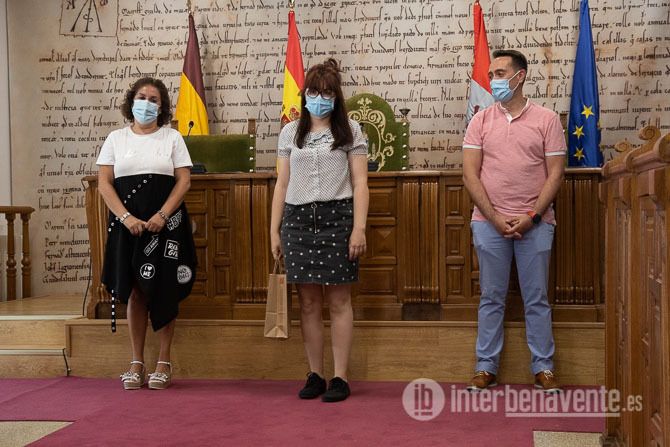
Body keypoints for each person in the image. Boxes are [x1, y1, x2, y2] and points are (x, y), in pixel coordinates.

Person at [462, 50, 566, 393]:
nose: (493, 80)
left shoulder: (547, 120)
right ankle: (485, 367)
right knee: (491, 297)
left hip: (536, 224)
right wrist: (494, 218)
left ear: (520, 77)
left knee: (536, 298)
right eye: (491, 74)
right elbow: (470, 175)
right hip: (488, 222)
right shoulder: (480, 121)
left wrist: (532, 217)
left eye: (500, 73)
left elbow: (555, 175)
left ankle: (544, 368)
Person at [270, 58, 369, 402]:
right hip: (297, 220)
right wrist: (274, 230)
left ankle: (340, 377)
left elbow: (360, 183)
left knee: (339, 300)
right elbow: (282, 184)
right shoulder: (290, 132)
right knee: (308, 303)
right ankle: (315, 374)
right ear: (305, 95)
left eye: (327, 93)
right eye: (314, 92)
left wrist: (359, 228)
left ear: (336, 96)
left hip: (338, 218)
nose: (320, 99)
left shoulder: (350, 131)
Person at [96, 77, 197, 390]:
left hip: (166, 225)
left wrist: (162, 215)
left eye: (154, 99)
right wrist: (126, 218)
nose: (147, 104)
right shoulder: (115, 138)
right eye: (142, 97)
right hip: (128, 226)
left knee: (164, 288)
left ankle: (164, 362)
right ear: (131, 101)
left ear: (162, 106)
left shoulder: (172, 137)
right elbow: (104, 183)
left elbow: (184, 181)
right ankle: (136, 362)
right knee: (136, 290)